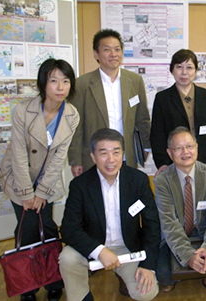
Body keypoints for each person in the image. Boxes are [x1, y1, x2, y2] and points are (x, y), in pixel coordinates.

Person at [0, 58, 79, 301]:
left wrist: (41, 193)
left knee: (49, 229)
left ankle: (53, 281)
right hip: (18, 178)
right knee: (29, 228)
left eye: (65, 81)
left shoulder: (71, 114)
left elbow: (58, 158)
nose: (60, 87)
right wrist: (26, 194)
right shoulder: (24, 109)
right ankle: (27, 287)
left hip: (46, 183)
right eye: (54, 81)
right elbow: (19, 154)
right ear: (43, 84)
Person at [59, 128, 160, 301]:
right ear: (93, 156)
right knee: (67, 258)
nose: (111, 160)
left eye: (116, 152)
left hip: (127, 248)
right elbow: (69, 229)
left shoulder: (138, 180)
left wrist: (148, 267)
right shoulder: (80, 185)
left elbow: (152, 224)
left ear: (123, 153)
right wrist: (99, 251)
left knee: (146, 292)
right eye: (103, 153)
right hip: (94, 246)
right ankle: (81, 297)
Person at [154, 127, 206, 292]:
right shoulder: (162, 180)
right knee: (163, 273)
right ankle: (183, 272)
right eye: (178, 148)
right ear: (170, 153)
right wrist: (188, 256)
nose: (185, 152)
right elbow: (169, 223)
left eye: (189, 146)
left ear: (197, 148)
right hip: (175, 235)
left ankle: (204, 271)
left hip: (202, 233)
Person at [68, 29, 151, 176]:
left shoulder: (134, 81)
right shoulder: (82, 84)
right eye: (107, 50)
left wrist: (146, 147)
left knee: (126, 195)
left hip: (126, 155)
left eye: (117, 49)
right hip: (94, 157)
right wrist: (76, 160)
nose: (113, 54)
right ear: (96, 54)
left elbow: (142, 118)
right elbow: (76, 127)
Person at [150, 49, 206, 173]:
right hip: (174, 162)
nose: (184, 73)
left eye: (189, 67)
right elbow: (157, 135)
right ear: (172, 70)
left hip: (205, 161)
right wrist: (163, 163)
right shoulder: (163, 98)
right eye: (179, 67)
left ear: (196, 71)